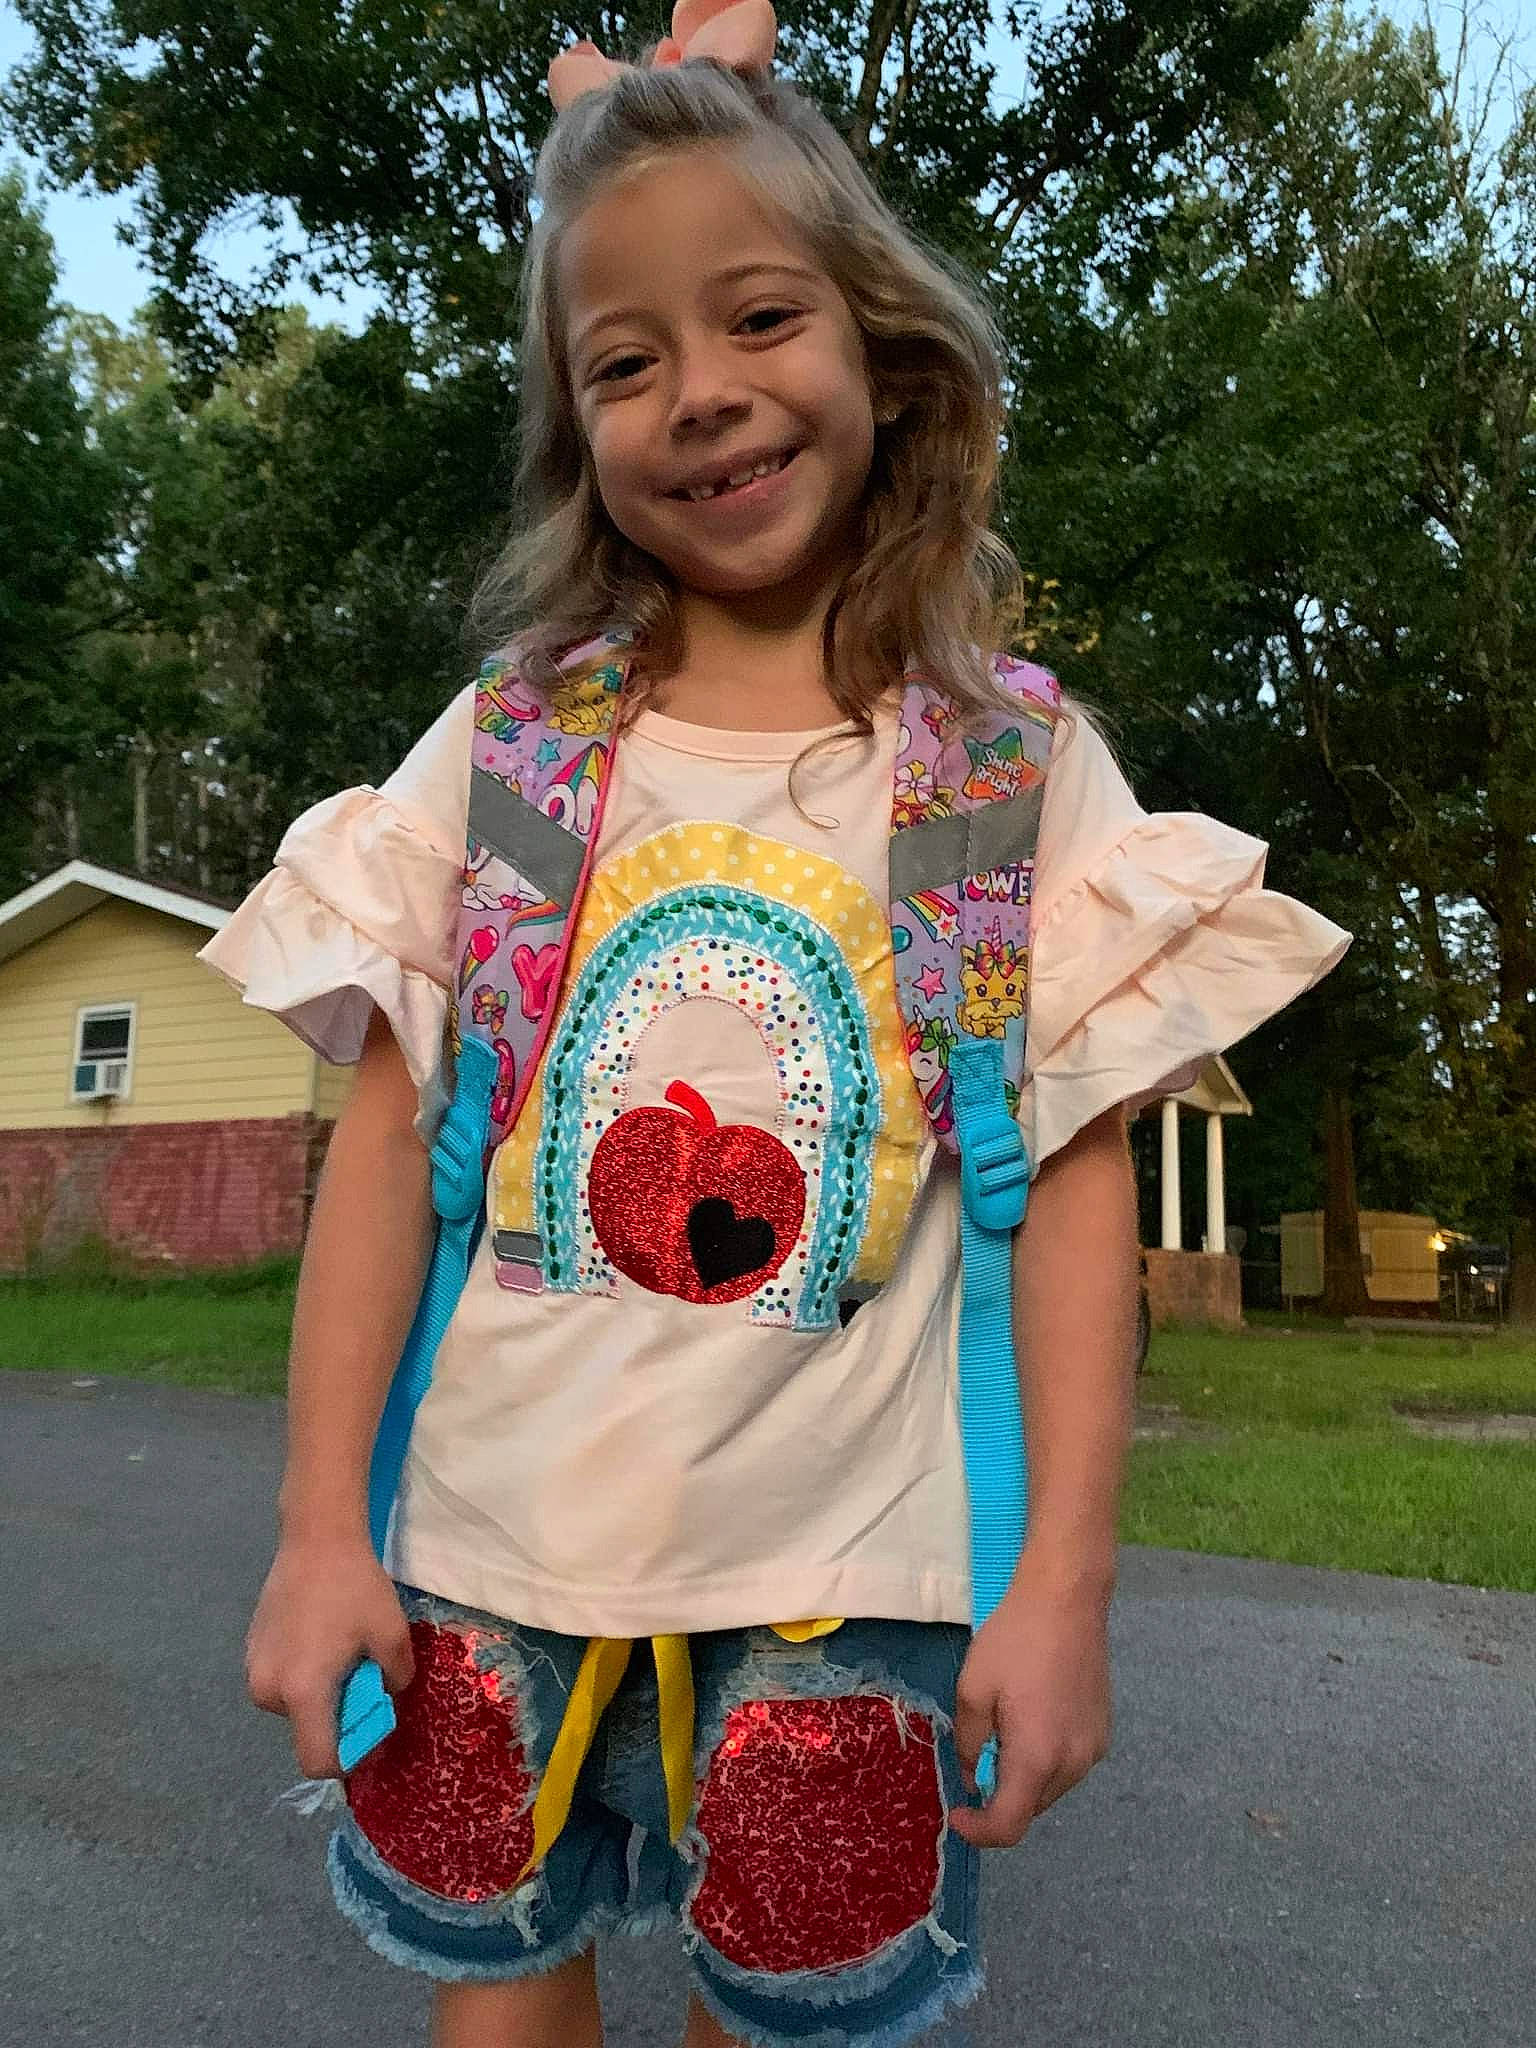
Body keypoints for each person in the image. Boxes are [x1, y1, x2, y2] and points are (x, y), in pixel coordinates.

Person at [200, 6, 1350, 2044]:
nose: (703, 397)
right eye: (624, 361)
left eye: (755, 320)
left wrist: (1062, 1580)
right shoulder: (513, 756)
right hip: (492, 1542)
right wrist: (316, 1534)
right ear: (574, 426)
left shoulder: (1004, 772)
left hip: (853, 1579)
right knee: (499, 1991)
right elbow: (389, 1146)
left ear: (880, 348)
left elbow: (1074, 1189)